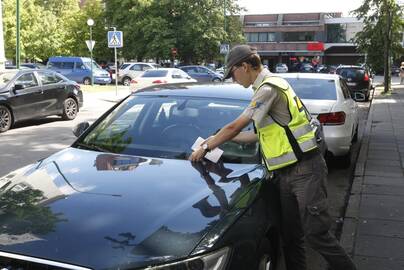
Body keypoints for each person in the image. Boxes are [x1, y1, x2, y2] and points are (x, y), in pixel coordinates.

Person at [189, 44, 356, 270]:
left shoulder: (269, 89)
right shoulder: (266, 88)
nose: (233, 79)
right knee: (291, 236)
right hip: (285, 173)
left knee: (316, 234)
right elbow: (256, 135)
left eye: (233, 73)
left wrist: (208, 145)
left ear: (245, 66)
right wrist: (222, 137)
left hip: (305, 170)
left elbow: (237, 125)